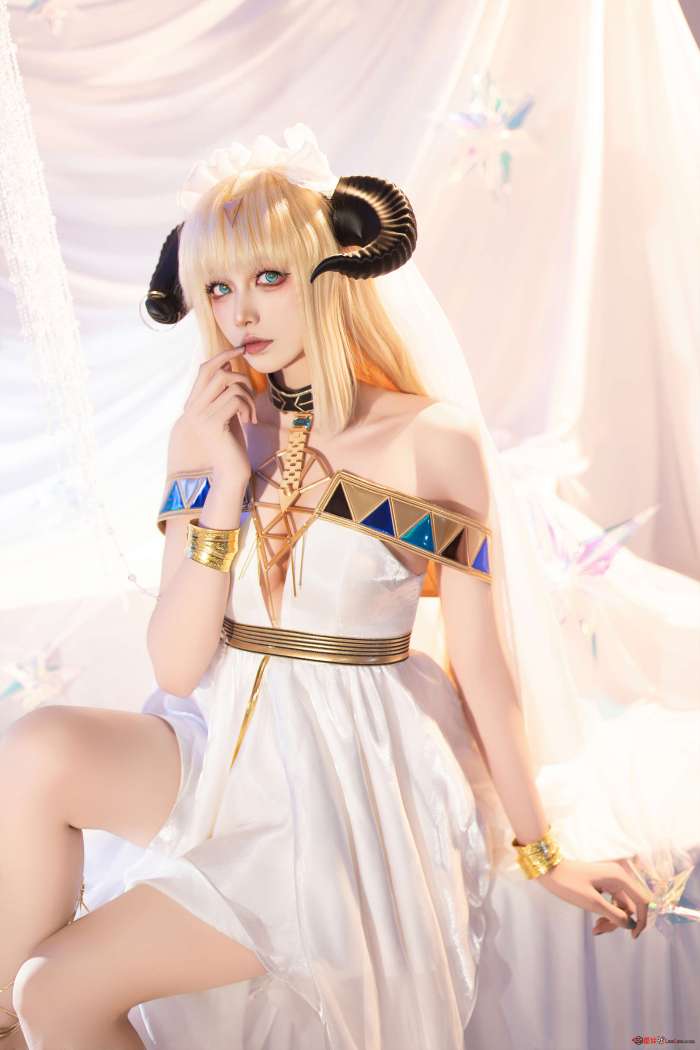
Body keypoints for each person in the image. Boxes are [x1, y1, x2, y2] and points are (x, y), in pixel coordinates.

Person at [0, 124, 655, 1049]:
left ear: (331, 270)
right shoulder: (210, 435)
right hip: (220, 745)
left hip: (345, 785)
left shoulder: (431, 439)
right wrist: (223, 481)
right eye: (218, 288)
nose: (241, 312)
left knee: (57, 989)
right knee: (38, 750)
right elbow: (177, 668)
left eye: (268, 277)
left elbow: (482, 665)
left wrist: (542, 850)